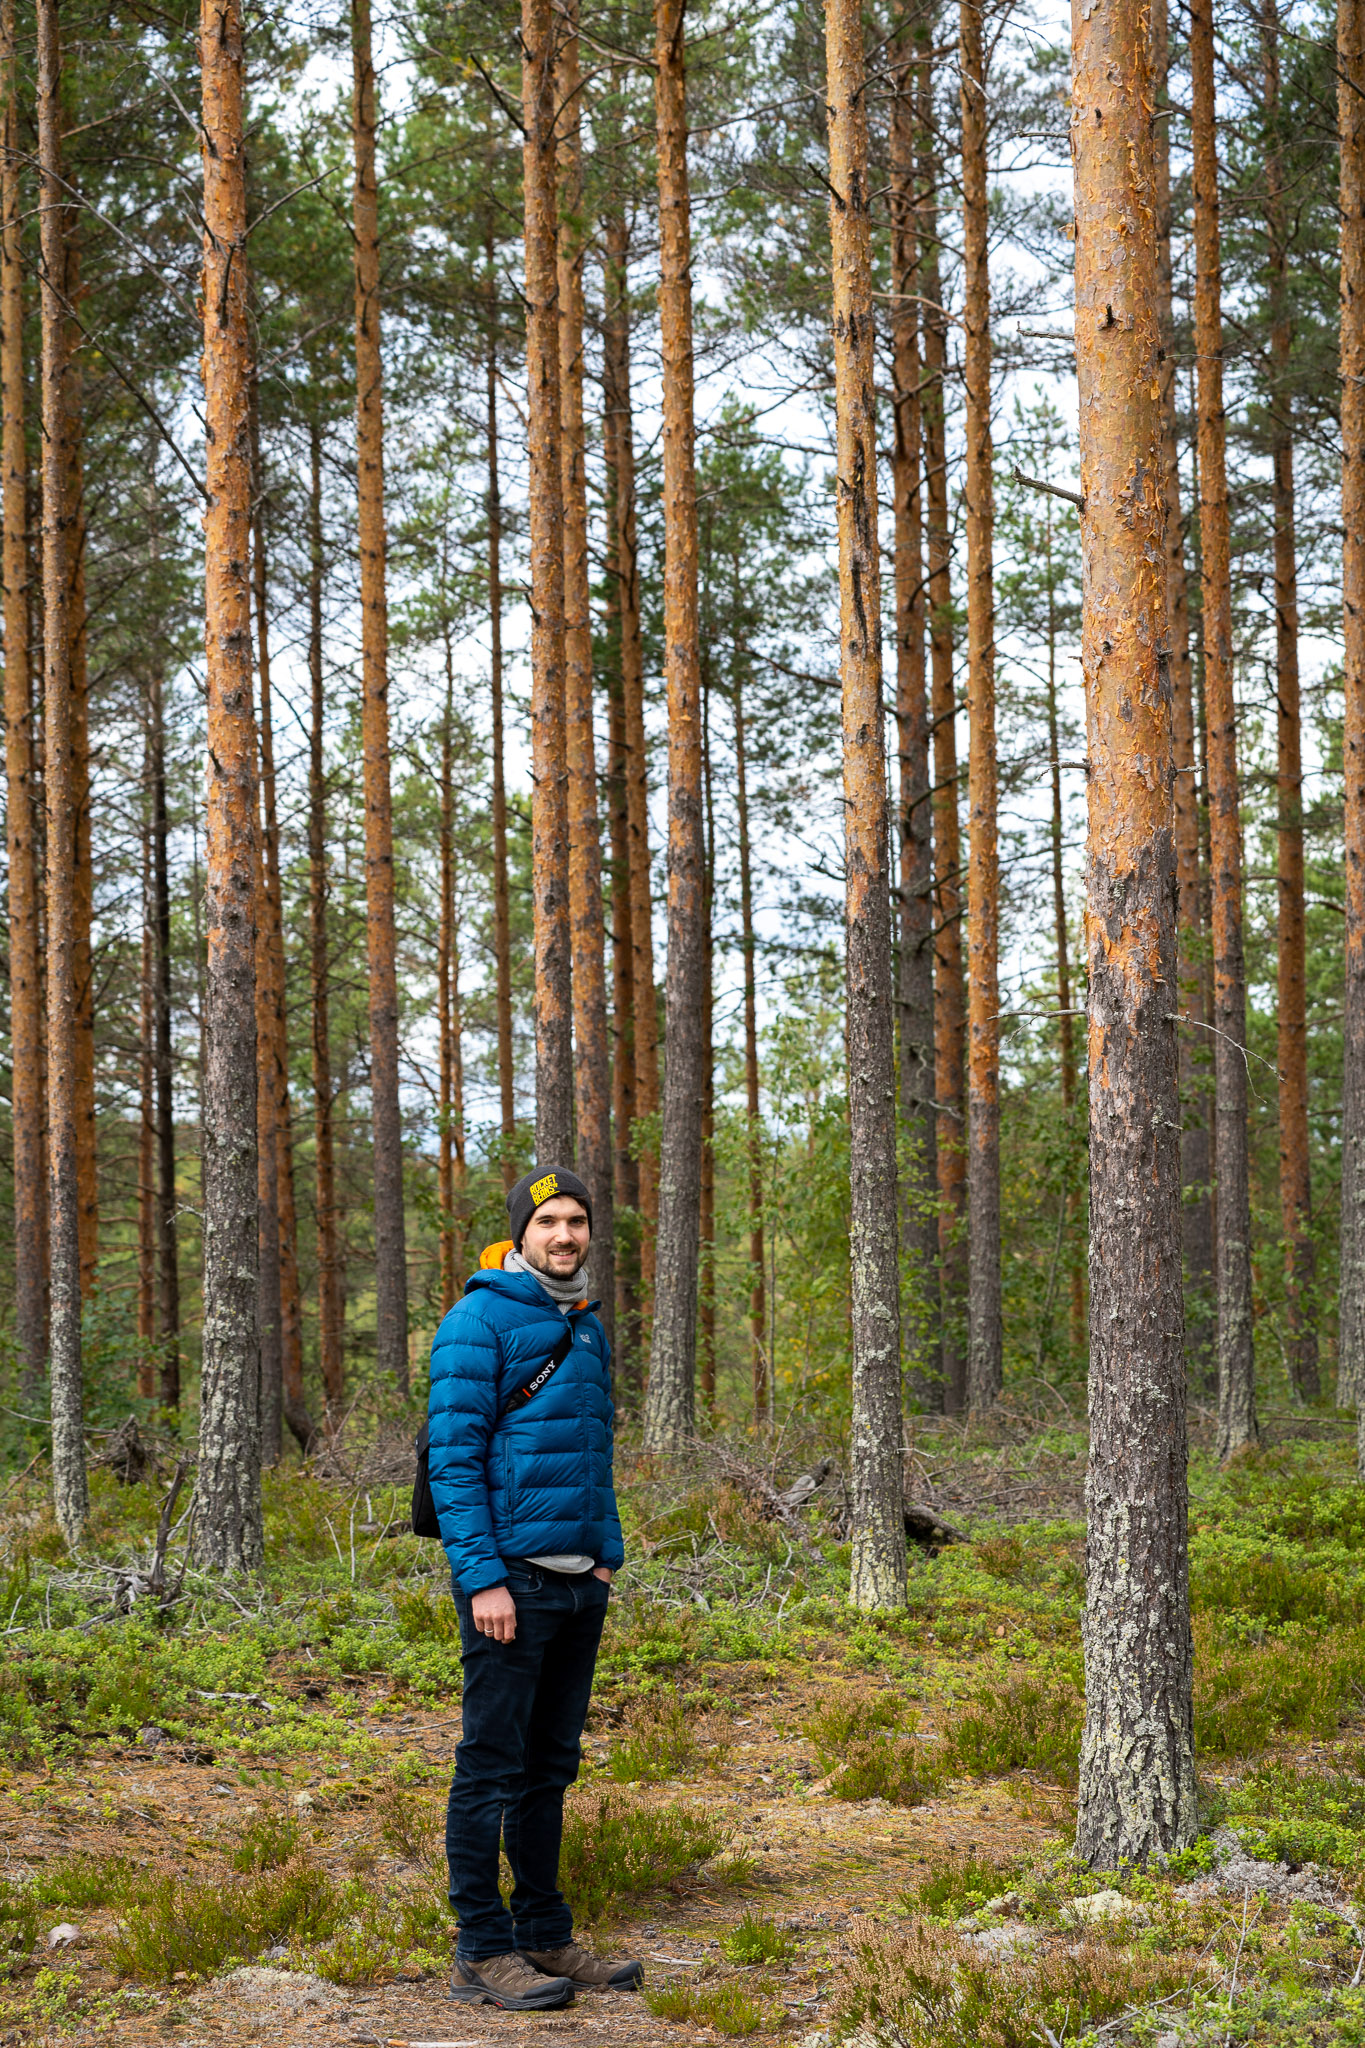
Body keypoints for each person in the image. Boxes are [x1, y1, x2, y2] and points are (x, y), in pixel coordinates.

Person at [427, 1165, 642, 2012]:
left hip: (577, 1584)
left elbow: (595, 1450)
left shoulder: (584, 1325)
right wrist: (483, 1578)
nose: (563, 1235)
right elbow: (453, 1461)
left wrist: (605, 1556)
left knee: (549, 1768)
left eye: (576, 1221)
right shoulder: (477, 1320)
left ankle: (545, 1932)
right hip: (509, 1584)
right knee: (490, 1765)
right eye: (547, 1221)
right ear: (520, 1233)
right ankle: (481, 1950)